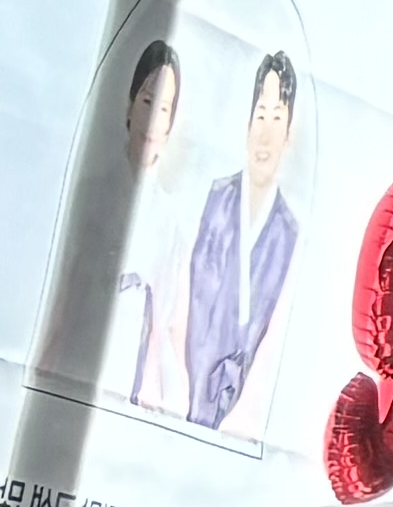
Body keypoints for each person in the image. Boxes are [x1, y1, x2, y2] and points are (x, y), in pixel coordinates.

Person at [181, 48, 308, 432]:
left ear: (289, 134)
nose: (265, 133)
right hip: (183, 390)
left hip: (244, 418)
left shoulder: (289, 233)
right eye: (260, 116)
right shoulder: (215, 199)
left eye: (277, 118)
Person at [102, 41, 194, 412]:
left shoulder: (171, 218)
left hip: (135, 368)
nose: (154, 120)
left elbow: (172, 324)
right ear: (129, 106)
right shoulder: (95, 193)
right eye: (147, 102)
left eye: (165, 109)